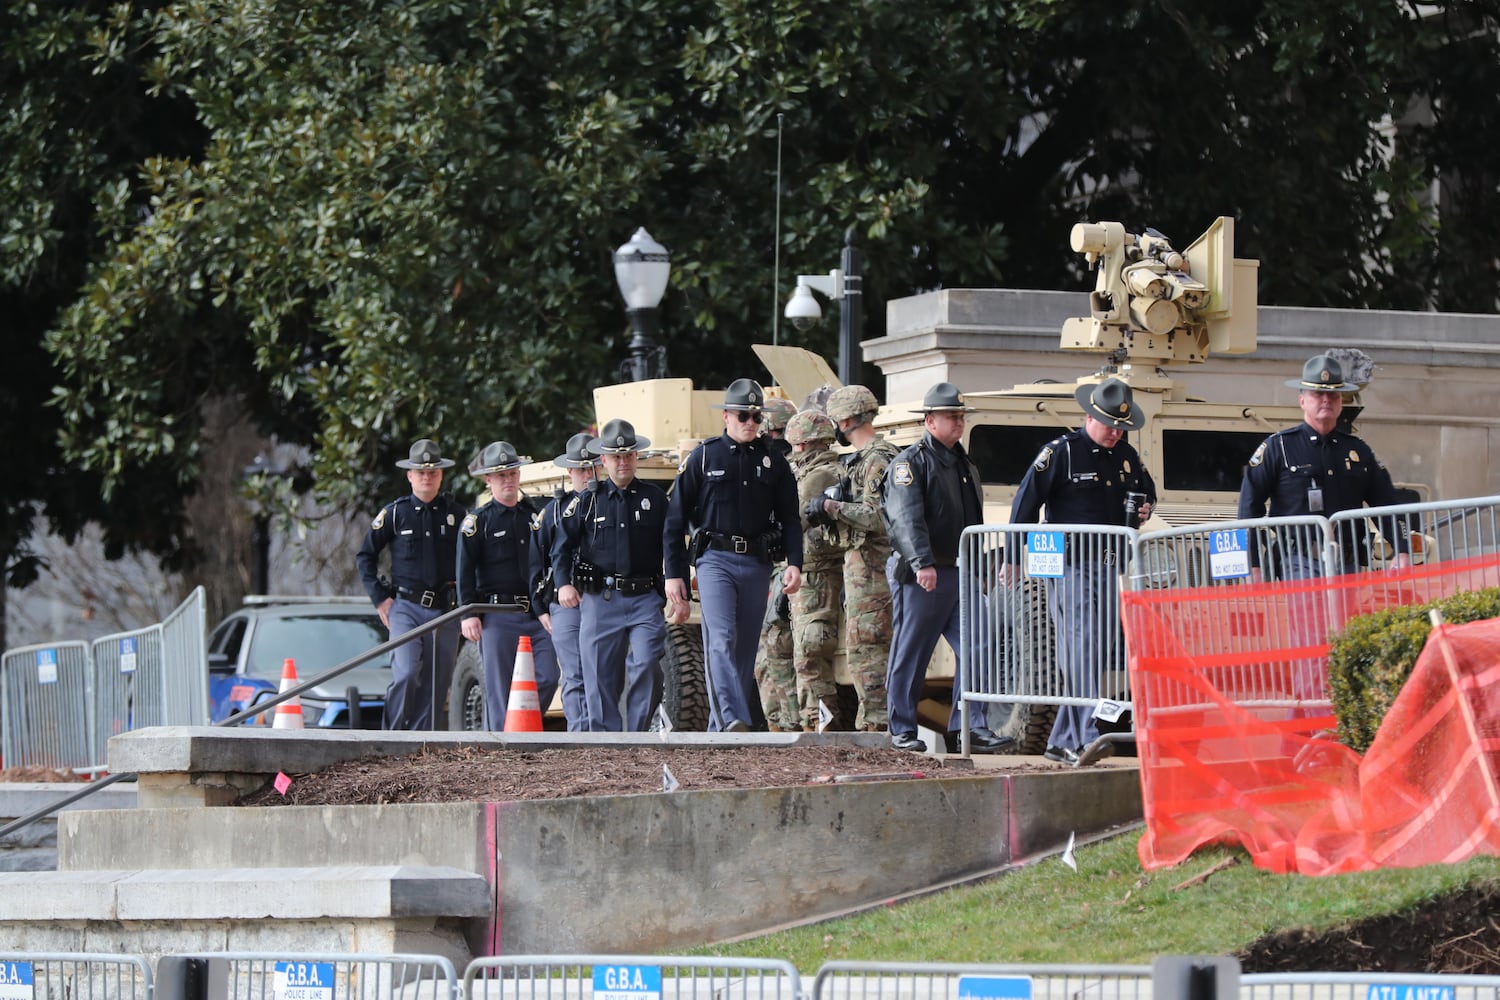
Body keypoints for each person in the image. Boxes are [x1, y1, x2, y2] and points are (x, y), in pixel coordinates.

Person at [1008, 378, 1156, 765]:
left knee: (1094, 649)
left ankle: (1061, 738)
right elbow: (1025, 504)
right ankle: (1087, 733)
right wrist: (1011, 557)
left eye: (1120, 425)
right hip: (1070, 566)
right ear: (1089, 416)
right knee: (1082, 647)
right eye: (1108, 423)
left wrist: (1146, 509)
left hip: (1111, 566)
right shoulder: (1061, 453)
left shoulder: (1126, 455)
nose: (1114, 432)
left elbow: (1147, 490)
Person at [665, 378, 804, 732]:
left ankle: (721, 730)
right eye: (743, 415)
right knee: (722, 638)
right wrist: (674, 574)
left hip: (758, 561)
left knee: (744, 650)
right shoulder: (705, 455)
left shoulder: (774, 462)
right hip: (715, 560)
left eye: (756, 417)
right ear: (726, 416)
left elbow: (790, 517)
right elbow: (676, 518)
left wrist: (795, 563)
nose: (750, 423)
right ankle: (732, 717)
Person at [882, 383, 1010, 754]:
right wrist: (922, 561)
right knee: (912, 651)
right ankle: (902, 729)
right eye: (952, 416)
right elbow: (905, 518)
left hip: (958, 570)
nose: (959, 421)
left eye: (961, 415)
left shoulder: (962, 462)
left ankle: (969, 725)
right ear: (930, 420)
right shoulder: (910, 463)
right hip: (924, 571)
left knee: (981, 644)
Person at [554, 419, 687, 731]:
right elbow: (561, 547)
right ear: (604, 460)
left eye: (628, 455)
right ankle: (606, 741)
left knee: (647, 663)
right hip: (601, 600)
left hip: (644, 599)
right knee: (599, 674)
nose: (623, 462)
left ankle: (637, 734)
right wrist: (562, 584)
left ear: (636, 458)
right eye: (616, 456)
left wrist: (678, 586)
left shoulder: (655, 499)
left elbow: (673, 544)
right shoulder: (587, 501)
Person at [1238, 354, 1412, 580]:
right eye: (1317, 394)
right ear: (1302, 401)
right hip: (1299, 562)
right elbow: (1249, 508)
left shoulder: (1359, 451)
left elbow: (1387, 503)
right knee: (1310, 615)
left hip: (1348, 564)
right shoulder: (1278, 447)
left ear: (1341, 402)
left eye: (1332, 394)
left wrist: (1402, 549)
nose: (1326, 400)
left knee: (1345, 617)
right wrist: (1252, 564)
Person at [356, 438, 468, 731]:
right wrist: (380, 599)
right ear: (409, 476)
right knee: (406, 672)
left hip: (446, 608)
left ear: (441, 475)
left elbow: (473, 560)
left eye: (432, 472)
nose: (427, 477)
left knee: (437, 682)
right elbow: (365, 555)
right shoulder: (396, 513)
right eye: (420, 472)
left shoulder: (456, 515)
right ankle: (392, 738)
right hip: (406, 607)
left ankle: (422, 746)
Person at [456, 441, 559, 731]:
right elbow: (464, 569)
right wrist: (468, 613)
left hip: (534, 613)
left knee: (549, 674)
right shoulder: (478, 522)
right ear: (489, 480)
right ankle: (501, 749)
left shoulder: (533, 516)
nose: (508, 481)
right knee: (500, 689)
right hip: (497, 613)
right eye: (501, 476)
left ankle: (523, 729)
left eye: (512, 474)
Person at [816, 384, 897, 732]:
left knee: (868, 652)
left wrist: (832, 507)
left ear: (847, 419)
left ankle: (877, 726)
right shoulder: (862, 460)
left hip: (874, 574)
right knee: (862, 651)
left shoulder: (878, 458)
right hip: (861, 571)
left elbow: (878, 515)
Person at [532, 432, 601, 732]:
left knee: (602, 671)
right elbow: (538, 561)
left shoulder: (608, 503)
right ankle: (580, 736)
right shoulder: (554, 511)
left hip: (602, 598)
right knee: (574, 673)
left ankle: (604, 734)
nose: (586, 474)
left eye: (591, 468)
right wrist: (540, 608)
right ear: (569, 471)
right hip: (564, 602)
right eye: (580, 469)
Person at [784, 409, 846, 730]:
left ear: (806, 444)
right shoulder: (813, 471)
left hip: (818, 577)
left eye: (795, 446)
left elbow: (794, 517)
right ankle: (813, 723)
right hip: (808, 575)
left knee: (811, 655)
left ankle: (820, 726)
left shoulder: (821, 475)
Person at [752, 396, 803, 730]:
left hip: (775, 569)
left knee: (772, 653)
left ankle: (783, 723)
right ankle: (784, 722)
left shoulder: (775, 469)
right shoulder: (787, 468)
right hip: (782, 568)